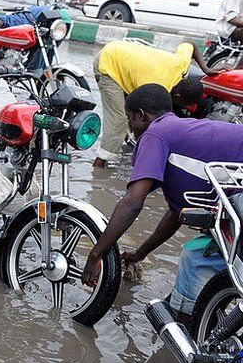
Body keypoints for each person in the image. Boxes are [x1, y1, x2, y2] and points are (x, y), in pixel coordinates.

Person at [81, 84, 243, 320]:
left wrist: (95, 255)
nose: (130, 127)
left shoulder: (155, 134)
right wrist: (140, 252)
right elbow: (176, 214)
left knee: (196, 260)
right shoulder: (179, 132)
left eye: (129, 118)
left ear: (141, 115)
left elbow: (132, 203)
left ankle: (188, 328)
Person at [91, 40, 215, 168]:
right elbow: (142, 117)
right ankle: (99, 163)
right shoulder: (155, 88)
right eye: (186, 105)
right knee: (118, 119)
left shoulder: (182, 64)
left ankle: (123, 143)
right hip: (108, 62)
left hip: (124, 53)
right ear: (177, 97)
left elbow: (190, 43)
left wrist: (206, 69)